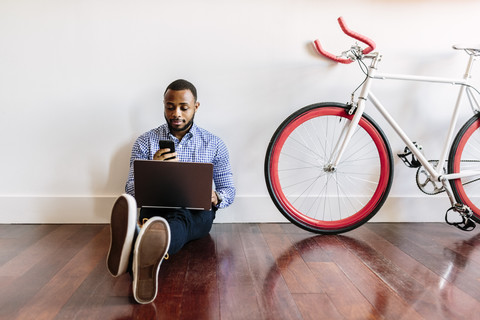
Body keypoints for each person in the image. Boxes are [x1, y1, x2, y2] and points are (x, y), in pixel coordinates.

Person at [106, 79, 235, 304]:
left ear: (196, 107)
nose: (176, 113)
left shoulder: (214, 144)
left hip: (198, 212)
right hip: (157, 207)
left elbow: (229, 189)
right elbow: (130, 190)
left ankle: (135, 241)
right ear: (164, 105)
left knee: (182, 217)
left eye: (184, 108)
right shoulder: (146, 142)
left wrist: (217, 196)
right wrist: (154, 169)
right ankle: (144, 252)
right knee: (168, 221)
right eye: (170, 106)